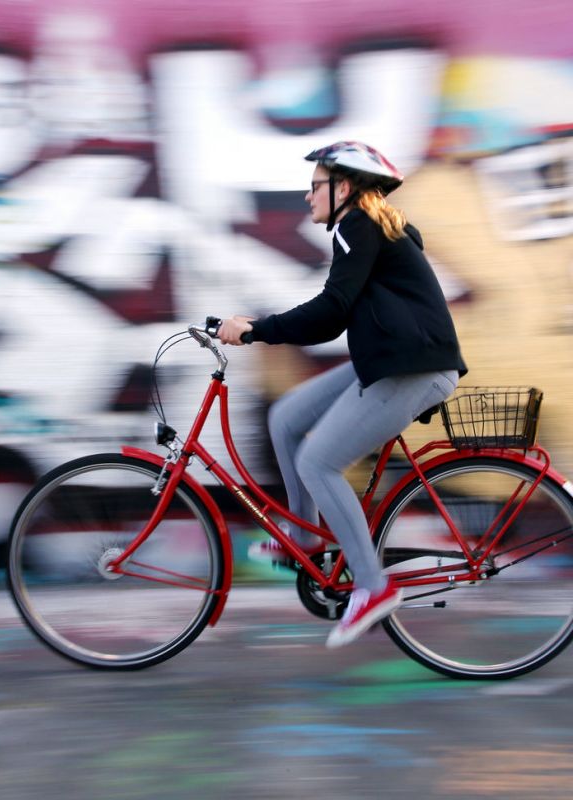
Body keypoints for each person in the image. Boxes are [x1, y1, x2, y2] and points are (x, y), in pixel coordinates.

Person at [217, 141, 467, 648]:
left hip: (412, 371)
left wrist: (256, 330)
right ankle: (304, 539)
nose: (308, 198)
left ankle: (373, 587)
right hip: (389, 365)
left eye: (315, 188)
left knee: (318, 461)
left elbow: (332, 312)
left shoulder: (358, 226)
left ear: (344, 187)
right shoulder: (371, 229)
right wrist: (259, 329)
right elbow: (338, 311)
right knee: (287, 417)